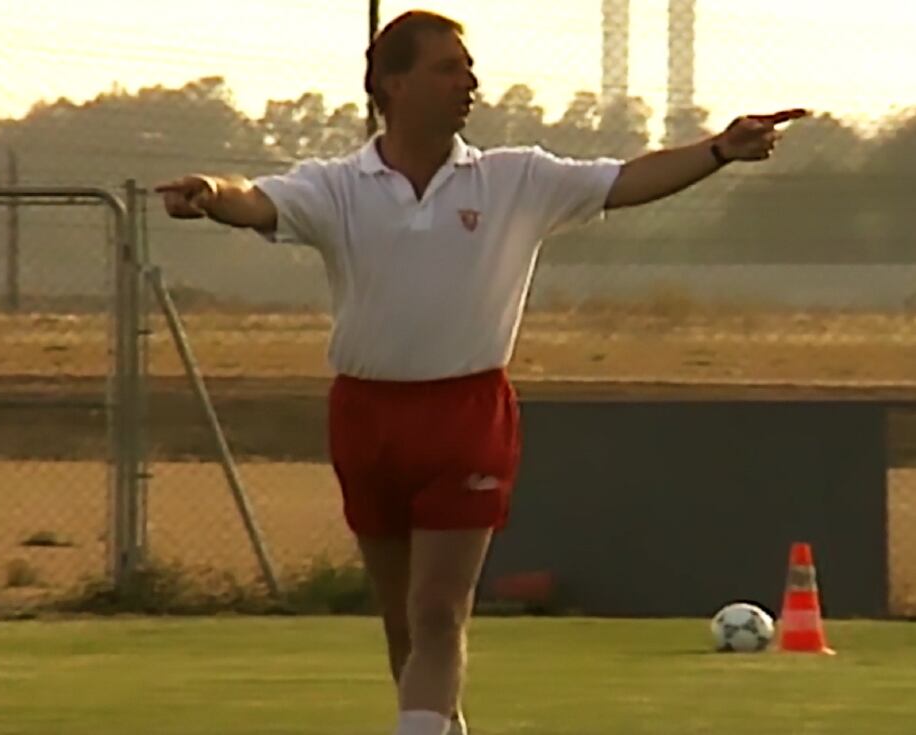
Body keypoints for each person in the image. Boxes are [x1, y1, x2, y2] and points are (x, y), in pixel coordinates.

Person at [156, 10, 806, 735]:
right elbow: (257, 198)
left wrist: (719, 149)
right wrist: (212, 193)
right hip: (365, 417)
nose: (470, 81)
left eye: (468, 68)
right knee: (405, 623)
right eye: (448, 68)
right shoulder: (340, 186)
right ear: (392, 84)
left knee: (439, 610)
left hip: (466, 416)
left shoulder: (514, 178)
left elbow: (625, 180)